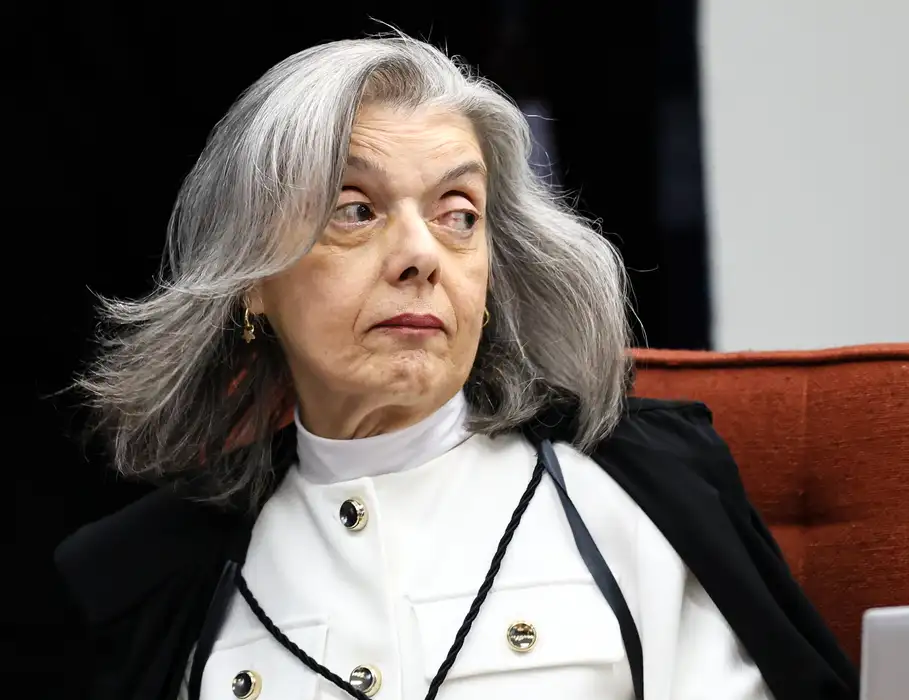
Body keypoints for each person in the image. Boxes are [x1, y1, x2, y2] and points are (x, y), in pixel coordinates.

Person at [56, 33, 858, 700]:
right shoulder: (160, 582)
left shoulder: (631, 498)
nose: (420, 255)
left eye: (459, 216)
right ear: (252, 282)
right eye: (356, 210)